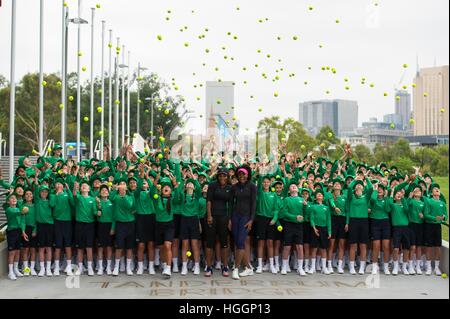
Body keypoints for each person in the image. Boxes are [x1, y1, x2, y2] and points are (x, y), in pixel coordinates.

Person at [230, 165, 257, 280]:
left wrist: (251, 220)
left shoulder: (252, 186)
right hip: (235, 216)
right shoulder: (234, 187)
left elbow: (253, 204)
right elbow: (231, 204)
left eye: (243, 174)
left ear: (247, 175)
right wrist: (230, 219)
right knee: (238, 242)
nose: (241, 176)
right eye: (239, 174)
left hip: (246, 217)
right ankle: (248, 268)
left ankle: (236, 269)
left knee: (241, 242)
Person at [205, 168, 232, 277]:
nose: (222, 177)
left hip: (224, 217)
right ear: (218, 176)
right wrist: (209, 215)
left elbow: (230, 205)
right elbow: (209, 201)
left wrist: (229, 219)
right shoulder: (212, 185)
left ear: (227, 177)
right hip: (212, 217)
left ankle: (225, 266)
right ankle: (209, 267)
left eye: (224, 175)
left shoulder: (230, 188)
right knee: (209, 243)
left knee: (224, 243)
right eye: (220, 175)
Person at [345, 174, 373, 275]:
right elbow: (348, 187)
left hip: (364, 221)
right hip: (353, 221)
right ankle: (352, 267)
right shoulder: (351, 197)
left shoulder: (365, 197)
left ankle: (362, 267)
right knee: (353, 245)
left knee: (363, 245)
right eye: (357, 185)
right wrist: (355, 179)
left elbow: (371, 188)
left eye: (361, 185)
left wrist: (366, 177)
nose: (359, 186)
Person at [254, 175, 281, 274]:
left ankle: (272, 265)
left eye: (267, 182)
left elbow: (276, 209)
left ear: (270, 183)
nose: (265, 183)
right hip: (261, 219)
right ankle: (260, 265)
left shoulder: (273, 195)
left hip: (271, 221)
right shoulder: (260, 193)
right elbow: (259, 179)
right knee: (260, 243)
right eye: (264, 182)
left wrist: (274, 218)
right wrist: (261, 172)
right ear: (262, 183)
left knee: (270, 243)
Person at [279, 182, 306, 276]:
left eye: (295, 186)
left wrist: (306, 206)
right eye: (291, 186)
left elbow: (305, 214)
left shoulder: (302, 199)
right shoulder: (286, 199)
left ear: (298, 189)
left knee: (300, 246)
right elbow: (284, 213)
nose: (294, 186)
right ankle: (284, 267)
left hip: (299, 226)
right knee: (287, 246)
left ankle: (300, 268)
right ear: (289, 190)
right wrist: (295, 217)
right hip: (289, 225)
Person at [110, 180, 136, 276]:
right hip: (120, 224)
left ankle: (128, 267)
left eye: (124, 184)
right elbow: (111, 198)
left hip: (130, 223)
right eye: (120, 184)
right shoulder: (116, 197)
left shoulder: (130, 196)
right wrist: (114, 189)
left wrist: (124, 195)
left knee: (129, 247)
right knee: (119, 246)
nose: (122, 186)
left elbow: (129, 205)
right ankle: (116, 267)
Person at [72, 180, 97, 276]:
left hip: (90, 225)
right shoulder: (78, 197)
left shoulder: (93, 199)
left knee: (89, 247)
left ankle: (90, 267)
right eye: (82, 186)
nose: (83, 187)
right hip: (79, 225)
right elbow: (74, 194)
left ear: (89, 189)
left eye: (85, 186)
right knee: (80, 248)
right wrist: (75, 186)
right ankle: (80, 267)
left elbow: (95, 211)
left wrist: (98, 212)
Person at [50, 178, 74, 276]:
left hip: (67, 222)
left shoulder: (67, 193)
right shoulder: (52, 195)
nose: (59, 185)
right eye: (57, 184)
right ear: (55, 186)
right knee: (58, 245)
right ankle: (56, 267)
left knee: (68, 245)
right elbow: (51, 204)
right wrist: (57, 194)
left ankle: (68, 266)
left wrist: (68, 190)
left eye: (61, 184)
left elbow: (73, 202)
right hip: (57, 222)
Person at [423, 184, 448, 275]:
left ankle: (437, 267)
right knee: (429, 246)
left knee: (438, 246)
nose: (437, 190)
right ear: (432, 192)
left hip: (438, 227)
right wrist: (435, 218)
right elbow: (426, 214)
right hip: (429, 226)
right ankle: (429, 267)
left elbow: (446, 215)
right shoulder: (429, 201)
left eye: (438, 189)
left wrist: (443, 217)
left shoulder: (442, 203)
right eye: (435, 189)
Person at [368, 183, 391, 275]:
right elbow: (372, 199)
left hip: (385, 222)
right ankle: (374, 266)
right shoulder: (373, 199)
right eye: (379, 188)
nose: (380, 190)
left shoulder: (386, 199)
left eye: (382, 189)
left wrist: (386, 198)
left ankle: (385, 267)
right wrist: (374, 190)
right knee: (376, 245)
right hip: (375, 222)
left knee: (385, 246)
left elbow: (388, 210)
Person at [33, 183, 54, 277]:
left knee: (49, 247)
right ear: (39, 192)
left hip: (49, 226)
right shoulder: (37, 201)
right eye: (42, 191)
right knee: (41, 248)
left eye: (46, 191)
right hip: (40, 226)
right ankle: (42, 268)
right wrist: (37, 180)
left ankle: (48, 268)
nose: (44, 193)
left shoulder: (50, 201)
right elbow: (35, 189)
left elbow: (53, 200)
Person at [309, 189, 332, 274]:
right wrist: (314, 227)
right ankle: (312, 267)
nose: (319, 195)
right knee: (314, 248)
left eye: (321, 194)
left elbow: (329, 220)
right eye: (317, 194)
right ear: (315, 198)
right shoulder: (313, 206)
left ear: (323, 197)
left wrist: (329, 231)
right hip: (316, 228)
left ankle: (324, 268)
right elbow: (311, 218)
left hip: (324, 229)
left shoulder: (326, 208)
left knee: (323, 249)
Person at [328, 178, 348, 274]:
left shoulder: (344, 197)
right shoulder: (330, 195)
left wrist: (347, 223)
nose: (337, 185)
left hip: (343, 220)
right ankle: (329, 265)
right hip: (333, 219)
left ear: (341, 187)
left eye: (338, 184)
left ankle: (340, 266)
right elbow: (331, 202)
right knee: (331, 244)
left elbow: (347, 211)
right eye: (335, 183)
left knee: (341, 244)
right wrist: (335, 207)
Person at [5, 194, 27, 280]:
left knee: (18, 251)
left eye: (15, 198)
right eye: (11, 198)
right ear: (8, 201)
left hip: (18, 231)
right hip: (11, 232)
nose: (14, 199)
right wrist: (22, 211)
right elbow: (16, 213)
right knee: (12, 252)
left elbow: (21, 221)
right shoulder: (8, 209)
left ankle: (15, 269)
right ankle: (10, 272)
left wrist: (23, 231)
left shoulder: (18, 208)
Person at [96, 184, 115, 275]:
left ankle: (108, 267)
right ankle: (100, 267)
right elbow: (97, 215)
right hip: (100, 226)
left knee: (109, 247)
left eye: (106, 191)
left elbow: (114, 217)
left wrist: (113, 228)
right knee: (100, 247)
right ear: (100, 193)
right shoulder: (97, 202)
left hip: (109, 226)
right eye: (102, 190)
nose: (104, 192)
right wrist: (98, 208)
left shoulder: (112, 202)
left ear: (108, 193)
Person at [407, 184, 426, 275]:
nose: (417, 191)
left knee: (419, 247)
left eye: (419, 190)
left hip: (420, 225)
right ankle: (410, 266)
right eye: (416, 190)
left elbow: (425, 214)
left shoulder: (423, 203)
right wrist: (409, 197)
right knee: (413, 246)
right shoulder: (411, 201)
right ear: (413, 193)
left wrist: (423, 217)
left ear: (421, 193)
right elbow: (406, 207)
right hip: (412, 225)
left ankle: (417, 266)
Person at [20, 188, 38, 276]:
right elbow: (22, 220)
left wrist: (35, 230)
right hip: (26, 229)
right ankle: (26, 269)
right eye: (26, 194)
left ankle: (32, 268)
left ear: (33, 196)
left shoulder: (35, 206)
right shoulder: (23, 206)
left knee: (33, 250)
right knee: (26, 249)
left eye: (30, 194)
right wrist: (23, 231)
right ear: (24, 196)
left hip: (33, 229)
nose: (28, 195)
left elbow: (36, 219)